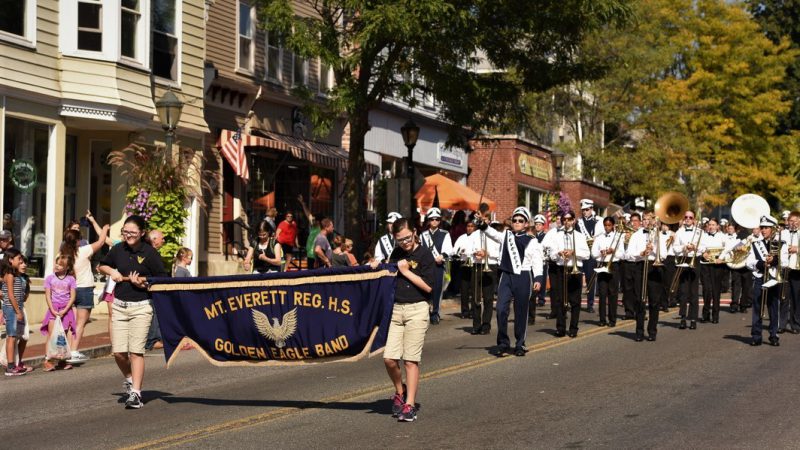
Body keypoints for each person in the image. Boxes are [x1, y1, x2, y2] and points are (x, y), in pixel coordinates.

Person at [98, 215, 168, 409]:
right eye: (125, 232)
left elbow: (161, 278)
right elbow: (102, 264)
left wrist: (143, 281)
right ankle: (130, 379)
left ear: (142, 233)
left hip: (141, 307)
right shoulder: (118, 249)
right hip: (120, 306)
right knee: (118, 353)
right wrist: (111, 272)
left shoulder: (150, 253)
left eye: (132, 232)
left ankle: (136, 394)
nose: (128, 235)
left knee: (136, 352)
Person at [370, 217, 434, 423]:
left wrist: (406, 272)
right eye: (400, 240)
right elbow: (388, 270)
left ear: (414, 232)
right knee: (389, 358)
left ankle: (410, 405)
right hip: (397, 309)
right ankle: (400, 390)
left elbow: (429, 287)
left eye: (407, 238)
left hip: (418, 308)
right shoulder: (396, 252)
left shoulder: (425, 254)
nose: (405, 243)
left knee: (410, 360)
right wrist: (376, 265)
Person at [478, 206, 544, 356]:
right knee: (501, 309)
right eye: (515, 220)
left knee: (521, 312)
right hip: (507, 276)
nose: (517, 222)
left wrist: (538, 278)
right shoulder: (506, 235)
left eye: (521, 221)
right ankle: (503, 342)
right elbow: (492, 233)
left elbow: (537, 261)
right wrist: (481, 223)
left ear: (526, 223)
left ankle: (520, 344)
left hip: (523, 276)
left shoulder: (532, 241)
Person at [61, 220, 110, 364]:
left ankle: (69, 350)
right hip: (84, 289)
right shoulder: (83, 251)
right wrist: (105, 228)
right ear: (77, 241)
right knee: (81, 323)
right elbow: (101, 242)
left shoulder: (63, 254)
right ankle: (74, 351)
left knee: (72, 323)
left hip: (70, 289)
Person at [549, 210, 590, 338]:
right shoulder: (557, 236)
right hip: (561, 269)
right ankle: (560, 328)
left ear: (573, 220)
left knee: (575, 301)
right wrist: (558, 253)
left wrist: (573, 252)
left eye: (569, 219)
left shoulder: (580, 236)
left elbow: (587, 255)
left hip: (575, 269)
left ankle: (573, 328)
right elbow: (551, 254)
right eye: (564, 219)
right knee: (561, 300)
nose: (566, 222)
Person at [626, 212, 665, 341]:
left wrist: (653, 249)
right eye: (645, 219)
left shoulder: (659, 235)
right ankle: (639, 331)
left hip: (655, 267)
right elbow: (629, 254)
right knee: (640, 300)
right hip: (640, 267)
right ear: (642, 221)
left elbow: (664, 254)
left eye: (650, 219)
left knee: (654, 302)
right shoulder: (636, 235)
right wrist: (641, 253)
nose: (647, 221)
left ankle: (652, 331)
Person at [747, 215, 784, 346]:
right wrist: (762, 263)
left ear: (772, 229)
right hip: (760, 278)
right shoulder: (755, 244)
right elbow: (749, 262)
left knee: (773, 308)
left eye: (766, 227)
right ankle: (756, 336)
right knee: (758, 308)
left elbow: (784, 260)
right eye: (762, 227)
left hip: (774, 278)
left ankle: (774, 335)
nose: (763, 230)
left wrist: (773, 260)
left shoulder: (781, 243)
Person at [41, 255, 77, 371]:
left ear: (67, 267)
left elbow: (72, 297)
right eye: (56, 263)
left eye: (60, 264)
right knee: (52, 335)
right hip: (54, 309)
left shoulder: (71, 279)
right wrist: (52, 309)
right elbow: (47, 295)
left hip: (66, 310)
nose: (57, 266)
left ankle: (61, 360)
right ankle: (48, 360)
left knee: (63, 335)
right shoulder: (49, 278)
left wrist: (65, 310)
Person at [419, 208, 453, 324]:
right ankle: (426, 312)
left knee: (438, 289)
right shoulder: (423, 235)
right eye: (432, 219)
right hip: (426, 267)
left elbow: (449, 249)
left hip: (438, 266)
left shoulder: (445, 234)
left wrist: (442, 255)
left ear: (440, 221)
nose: (434, 221)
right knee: (426, 290)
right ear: (428, 220)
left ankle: (435, 313)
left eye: (437, 219)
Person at [592, 216, 625, 327]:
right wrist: (601, 252)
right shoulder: (599, 238)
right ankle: (602, 319)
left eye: (609, 225)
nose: (607, 227)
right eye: (605, 225)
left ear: (613, 226)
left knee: (613, 293)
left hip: (614, 265)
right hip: (602, 265)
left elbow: (622, 254)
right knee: (602, 293)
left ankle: (612, 319)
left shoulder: (618, 237)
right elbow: (593, 253)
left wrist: (613, 251)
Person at [2, 248, 30, 376]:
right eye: (18, 259)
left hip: (16, 308)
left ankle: (14, 364)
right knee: (11, 337)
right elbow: (11, 295)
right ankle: (10, 366)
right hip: (11, 308)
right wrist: (18, 311)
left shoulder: (17, 275)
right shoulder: (9, 275)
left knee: (15, 336)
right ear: (10, 260)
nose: (20, 261)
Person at [673, 210, 701, 330]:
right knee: (683, 292)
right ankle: (683, 318)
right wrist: (684, 247)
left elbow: (703, 247)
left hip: (695, 261)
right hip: (683, 260)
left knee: (694, 293)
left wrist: (695, 248)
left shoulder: (700, 232)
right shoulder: (679, 232)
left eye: (690, 217)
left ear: (694, 219)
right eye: (686, 217)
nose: (688, 219)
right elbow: (675, 248)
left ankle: (693, 319)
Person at [472, 220, 500, 334]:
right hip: (477, 265)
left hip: (491, 266)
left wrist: (488, 253)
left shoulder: (494, 234)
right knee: (475, 297)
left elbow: (499, 252)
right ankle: (476, 325)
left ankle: (486, 325)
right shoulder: (474, 234)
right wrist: (475, 252)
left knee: (488, 298)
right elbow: (469, 248)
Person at [698, 218, 726, 324]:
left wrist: (721, 258)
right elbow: (699, 247)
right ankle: (705, 315)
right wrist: (703, 252)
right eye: (709, 224)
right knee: (706, 290)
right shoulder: (703, 236)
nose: (711, 226)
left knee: (715, 291)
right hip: (705, 265)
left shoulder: (722, 236)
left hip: (717, 266)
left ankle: (715, 315)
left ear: (717, 226)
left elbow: (727, 248)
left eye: (713, 224)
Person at [578, 199, 603, 313]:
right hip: (580, 253)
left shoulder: (598, 221)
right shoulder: (579, 223)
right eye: (583, 210)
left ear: (591, 209)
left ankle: (590, 303)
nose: (584, 212)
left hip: (591, 254)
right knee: (576, 279)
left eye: (587, 210)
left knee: (590, 279)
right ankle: (575, 302)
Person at [452, 220, 477, 329]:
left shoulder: (477, 237)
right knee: (464, 289)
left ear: (475, 227)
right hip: (464, 263)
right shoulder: (462, 237)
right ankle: (464, 311)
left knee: (474, 289)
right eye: (468, 226)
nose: (469, 228)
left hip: (474, 263)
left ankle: (473, 311)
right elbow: (454, 250)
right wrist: (459, 251)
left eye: (472, 226)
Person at [779, 211, 800, 334]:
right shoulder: (783, 233)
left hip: (798, 270)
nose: (792, 223)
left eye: (795, 221)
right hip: (785, 268)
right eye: (790, 221)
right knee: (784, 297)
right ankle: (781, 324)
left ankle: (796, 324)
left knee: (797, 298)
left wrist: (797, 249)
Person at [298, 195, 318, 269]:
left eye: (314, 219)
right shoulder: (313, 226)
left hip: (315, 256)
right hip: (310, 254)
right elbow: (308, 215)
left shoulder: (320, 228)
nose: (312, 220)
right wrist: (303, 204)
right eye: (312, 220)